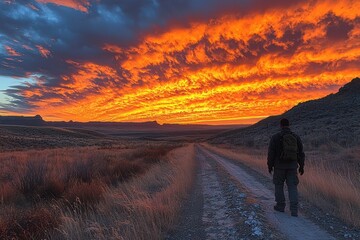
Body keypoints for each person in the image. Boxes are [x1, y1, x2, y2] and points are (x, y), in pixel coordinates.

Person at [267, 118, 305, 217]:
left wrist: (270, 165)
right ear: (289, 125)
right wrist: (301, 166)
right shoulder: (295, 137)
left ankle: (280, 206)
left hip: (279, 167)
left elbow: (271, 153)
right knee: (292, 187)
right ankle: (294, 210)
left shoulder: (275, 137)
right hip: (292, 167)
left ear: (280, 125)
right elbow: (301, 153)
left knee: (279, 186)